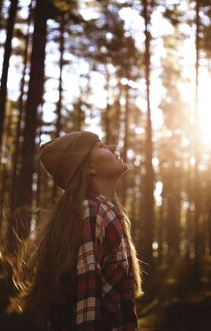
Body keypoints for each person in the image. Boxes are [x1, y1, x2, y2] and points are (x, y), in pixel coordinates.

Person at [10, 131, 143, 330]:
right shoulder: (91, 212)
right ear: (89, 167)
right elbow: (87, 305)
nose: (113, 147)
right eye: (100, 145)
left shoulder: (106, 211)